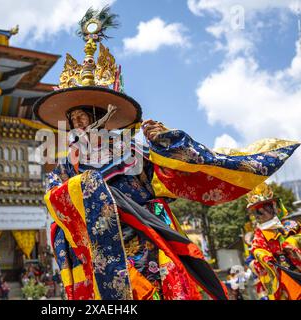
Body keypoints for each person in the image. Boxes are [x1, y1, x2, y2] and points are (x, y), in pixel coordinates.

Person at [33, 7, 299, 300]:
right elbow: (55, 202)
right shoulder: (67, 166)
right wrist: (86, 190)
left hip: (147, 248)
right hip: (100, 258)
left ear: (102, 117)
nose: (77, 126)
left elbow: (174, 179)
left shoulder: (131, 153)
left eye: (83, 118)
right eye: (72, 121)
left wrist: (167, 144)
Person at [246, 183, 301, 300]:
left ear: (273, 207)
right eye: (256, 212)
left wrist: (291, 243)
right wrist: (265, 257)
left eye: (262, 210)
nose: (259, 215)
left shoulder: (291, 225)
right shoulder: (259, 235)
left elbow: (299, 237)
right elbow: (258, 250)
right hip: (281, 275)